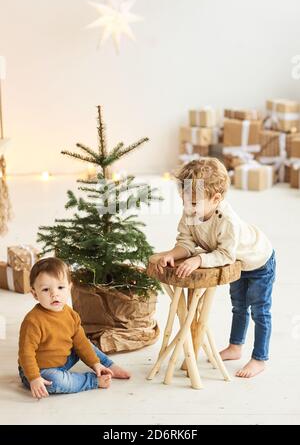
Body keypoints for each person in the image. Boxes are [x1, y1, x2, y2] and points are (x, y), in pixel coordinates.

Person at [150, 157, 276, 378]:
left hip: (258, 261)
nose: (188, 207)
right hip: (238, 265)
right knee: (238, 306)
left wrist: (199, 260)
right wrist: (173, 253)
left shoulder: (227, 221)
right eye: (184, 201)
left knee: (259, 310)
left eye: (194, 203)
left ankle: (259, 358)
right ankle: (235, 347)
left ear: (216, 199)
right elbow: (186, 243)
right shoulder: (192, 211)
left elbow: (226, 254)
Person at [18, 257, 131, 398]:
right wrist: (34, 378)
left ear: (69, 288)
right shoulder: (33, 321)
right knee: (56, 381)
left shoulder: (71, 315)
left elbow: (81, 343)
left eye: (60, 287)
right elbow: (25, 353)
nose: (54, 294)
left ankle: (106, 365)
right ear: (35, 294)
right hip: (39, 370)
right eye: (46, 289)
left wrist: (94, 363)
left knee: (84, 343)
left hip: (63, 360)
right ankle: (92, 381)